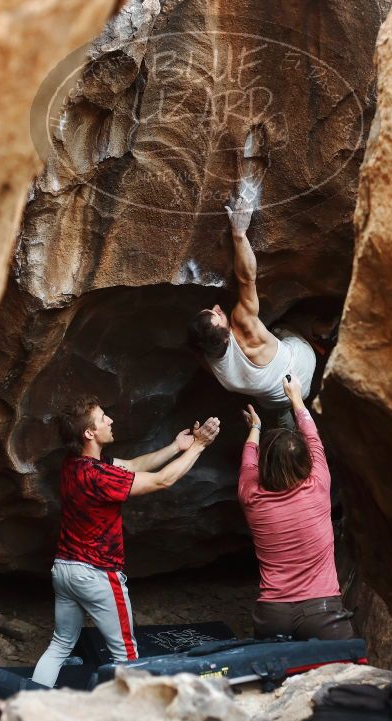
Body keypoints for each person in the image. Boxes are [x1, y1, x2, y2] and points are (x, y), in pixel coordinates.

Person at [32, 396, 220, 687]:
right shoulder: (98, 477)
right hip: (96, 575)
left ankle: (30, 706)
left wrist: (176, 447)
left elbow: (131, 465)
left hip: (64, 569)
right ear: (89, 433)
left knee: (59, 646)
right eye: (103, 418)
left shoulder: (75, 464)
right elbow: (162, 481)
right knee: (127, 654)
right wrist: (199, 446)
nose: (110, 421)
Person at [238, 374, 353, 641]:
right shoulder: (319, 484)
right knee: (347, 672)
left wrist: (255, 427)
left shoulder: (251, 495)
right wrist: (296, 399)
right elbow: (312, 438)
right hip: (322, 612)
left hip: (272, 614)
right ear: (306, 463)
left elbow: (248, 462)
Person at [188, 197, 317, 428]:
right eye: (216, 314)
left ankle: (289, 437)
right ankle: (322, 331)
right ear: (226, 334)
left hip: (278, 399)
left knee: (278, 413)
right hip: (304, 368)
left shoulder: (214, 365)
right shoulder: (243, 322)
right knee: (282, 325)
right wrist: (238, 233)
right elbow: (248, 278)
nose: (218, 308)